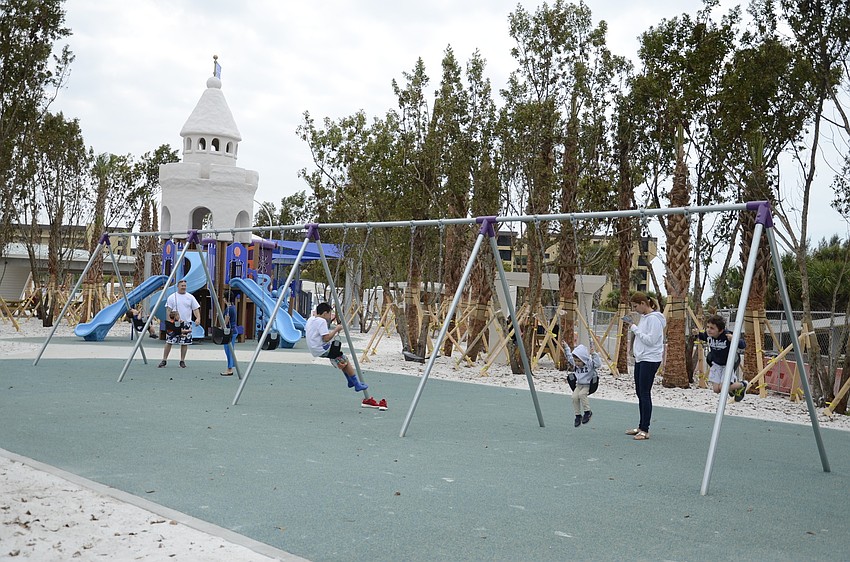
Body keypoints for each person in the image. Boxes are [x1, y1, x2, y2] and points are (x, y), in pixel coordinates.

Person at [305, 302, 387, 410]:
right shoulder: (321, 321)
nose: (331, 317)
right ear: (325, 313)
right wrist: (336, 330)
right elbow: (326, 338)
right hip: (321, 348)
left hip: (314, 349)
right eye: (330, 314)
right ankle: (357, 384)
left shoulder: (311, 319)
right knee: (345, 360)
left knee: (340, 359)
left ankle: (350, 381)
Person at [621, 292, 665, 441]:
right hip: (641, 358)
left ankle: (645, 429)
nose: (635, 310)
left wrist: (634, 328)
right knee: (640, 392)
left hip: (650, 359)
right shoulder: (645, 318)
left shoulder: (654, 319)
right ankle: (641, 426)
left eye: (635, 306)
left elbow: (650, 340)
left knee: (645, 393)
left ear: (643, 303)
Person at [694, 314, 748, 401]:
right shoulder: (708, 335)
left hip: (729, 363)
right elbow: (703, 336)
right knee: (716, 390)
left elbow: (743, 345)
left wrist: (734, 339)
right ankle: (732, 388)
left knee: (723, 388)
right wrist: (697, 334)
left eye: (712, 328)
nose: (708, 330)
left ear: (720, 330)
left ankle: (743, 384)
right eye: (707, 327)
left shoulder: (727, 335)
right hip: (717, 363)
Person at [158, 279, 201, 369]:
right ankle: (164, 360)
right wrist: (169, 321)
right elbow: (168, 310)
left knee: (184, 343)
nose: (184, 287)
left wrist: (198, 318)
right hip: (174, 323)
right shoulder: (172, 297)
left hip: (186, 322)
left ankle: (182, 360)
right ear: (178, 286)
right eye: (182, 286)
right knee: (169, 341)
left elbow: (195, 309)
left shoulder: (190, 297)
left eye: (185, 286)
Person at [563, 342, 601, 427]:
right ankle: (578, 416)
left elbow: (598, 364)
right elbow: (569, 356)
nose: (577, 363)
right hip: (579, 385)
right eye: (576, 361)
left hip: (588, 385)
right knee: (574, 397)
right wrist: (566, 347)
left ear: (584, 359)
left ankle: (588, 412)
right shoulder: (575, 364)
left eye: (579, 361)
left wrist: (594, 354)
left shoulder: (590, 364)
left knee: (581, 395)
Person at [220, 291, 237, 376]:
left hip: (230, 331)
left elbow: (227, 319)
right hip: (233, 330)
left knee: (228, 350)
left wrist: (222, 327)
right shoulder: (233, 307)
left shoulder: (229, 309)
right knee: (230, 349)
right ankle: (231, 366)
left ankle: (229, 368)